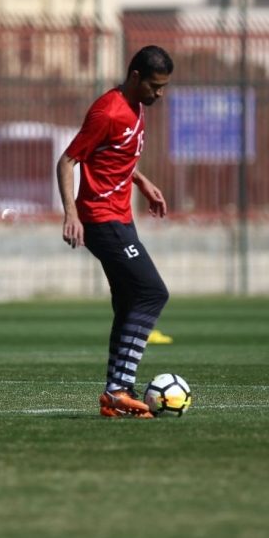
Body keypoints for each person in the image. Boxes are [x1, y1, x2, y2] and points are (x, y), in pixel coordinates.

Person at [56, 45, 174, 418]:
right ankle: (118, 388)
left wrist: (141, 181)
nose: (160, 93)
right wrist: (71, 214)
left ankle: (115, 396)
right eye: (155, 86)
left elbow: (115, 154)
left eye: (164, 87)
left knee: (127, 301)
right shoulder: (108, 111)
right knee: (152, 292)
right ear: (136, 77)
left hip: (121, 216)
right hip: (99, 218)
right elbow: (68, 160)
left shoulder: (137, 105)